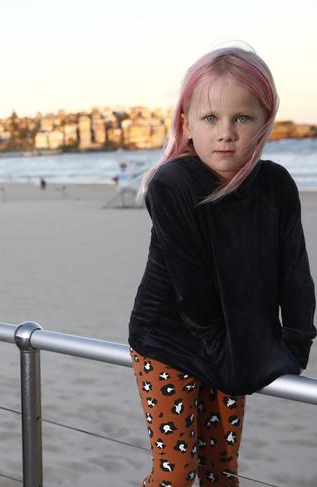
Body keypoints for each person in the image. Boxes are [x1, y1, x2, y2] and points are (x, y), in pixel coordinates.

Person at [128, 46, 316, 486]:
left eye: (242, 118)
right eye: (211, 119)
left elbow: (296, 272)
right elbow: (194, 294)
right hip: (168, 341)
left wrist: (295, 347)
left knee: (221, 471)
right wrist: (235, 365)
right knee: (177, 473)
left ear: (264, 121)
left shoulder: (277, 185)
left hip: (235, 337)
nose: (226, 133)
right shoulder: (172, 184)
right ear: (186, 124)